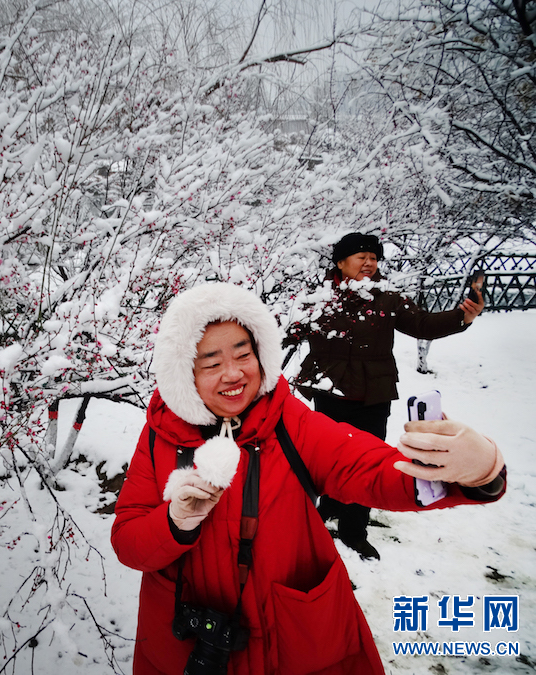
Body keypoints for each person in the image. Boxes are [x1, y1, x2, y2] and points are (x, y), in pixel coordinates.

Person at [111, 282, 504, 675]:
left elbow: (366, 466)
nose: (233, 373)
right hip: (185, 646)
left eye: (243, 354)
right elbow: (129, 542)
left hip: (290, 639)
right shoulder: (161, 435)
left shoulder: (286, 423)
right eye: (211, 363)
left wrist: (474, 471)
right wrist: (173, 523)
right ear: (184, 372)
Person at [283, 232, 485, 560]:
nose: (369, 263)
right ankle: (327, 508)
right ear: (340, 262)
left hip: (372, 395)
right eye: (361, 257)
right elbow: (287, 331)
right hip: (329, 391)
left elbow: (421, 323)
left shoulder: (387, 295)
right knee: (323, 459)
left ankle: (353, 531)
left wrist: (462, 316)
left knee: (366, 462)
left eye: (374, 258)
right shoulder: (318, 297)